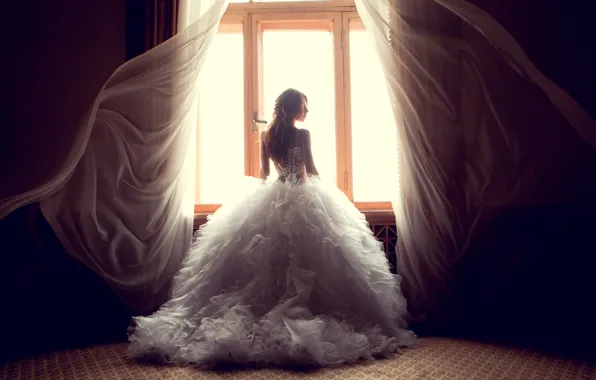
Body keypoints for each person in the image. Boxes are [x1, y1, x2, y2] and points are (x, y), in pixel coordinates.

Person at [128, 88, 416, 368]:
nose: (306, 111)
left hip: (275, 191)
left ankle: (265, 312)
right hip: (302, 193)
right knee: (314, 260)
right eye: (304, 105)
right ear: (294, 109)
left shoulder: (267, 136)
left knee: (266, 266)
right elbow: (311, 170)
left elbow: (265, 174)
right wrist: (330, 193)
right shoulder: (303, 134)